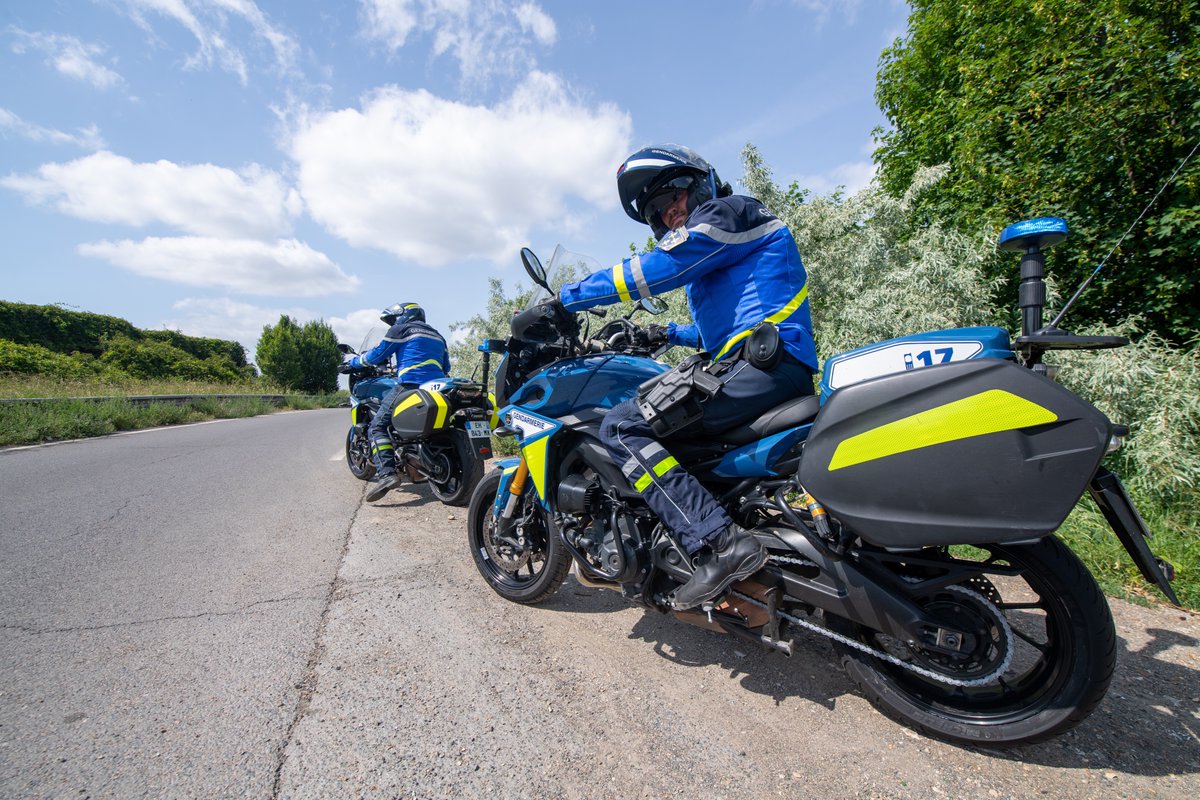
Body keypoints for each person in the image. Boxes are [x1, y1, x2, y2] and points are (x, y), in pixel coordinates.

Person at [555, 144, 818, 610]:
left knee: (620, 425)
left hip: (761, 367)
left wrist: (567, 297)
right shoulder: (732, 241)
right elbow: (728, 322)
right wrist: (668, 332)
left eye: (673, 196)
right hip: (761, 362)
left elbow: (659, 268)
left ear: (701, 185)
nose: (668, 212)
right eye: (657, 210)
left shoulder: (729, 212)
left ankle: (720, 543)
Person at [343, 302, 451, 503]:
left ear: (403, 315)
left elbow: (377, 354)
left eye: (393, 319)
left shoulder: (401, 329)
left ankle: (386, 474)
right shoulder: (438, 336)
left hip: (411, 385)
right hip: (436, 386)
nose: (392, 323)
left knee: (376, 427)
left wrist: (352, 363)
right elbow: (446, 366)